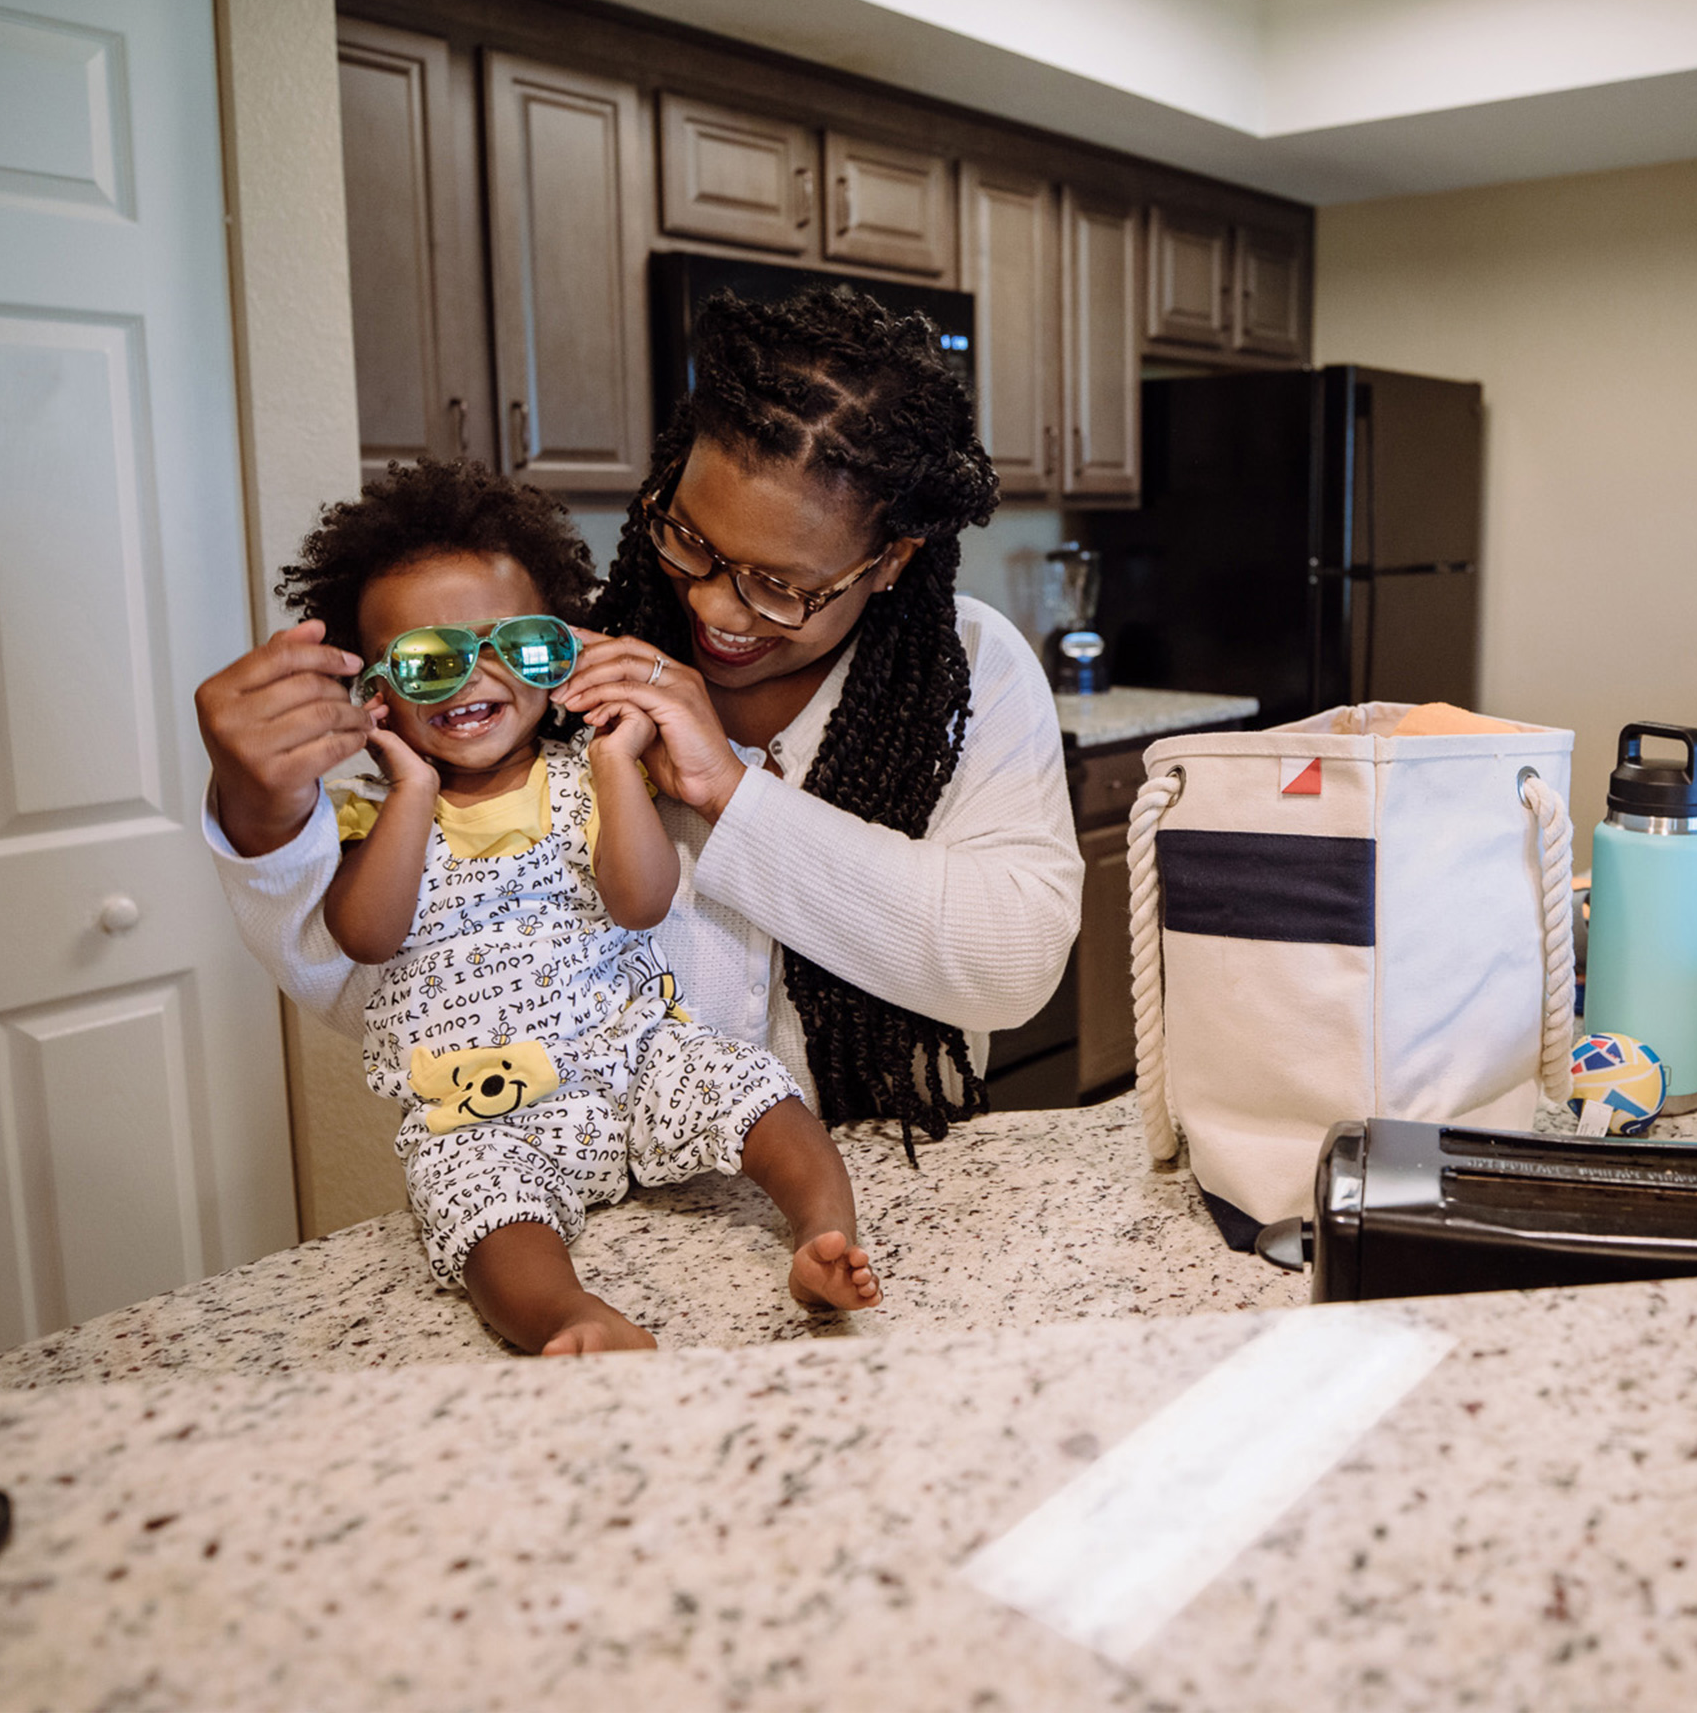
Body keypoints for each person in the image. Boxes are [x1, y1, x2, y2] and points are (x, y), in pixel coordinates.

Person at [194, 285, 1079, 1181]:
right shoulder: (552, 679)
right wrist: (261, 819)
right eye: (688, 537)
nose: (711, 605)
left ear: (889, 561)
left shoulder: (968, 668)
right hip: (606, 1221)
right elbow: (409, 977)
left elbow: (1012, 965)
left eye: (780, 586)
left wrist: (731, 795)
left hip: (883, 1195)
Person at [273, 461, 879, 1354]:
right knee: (482, 1215)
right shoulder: (370, 813)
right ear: (373, 691)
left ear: (558, 653)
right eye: (429, 661)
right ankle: (570, 1316)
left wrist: (611, 756)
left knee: (761, 1094)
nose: (475, 675)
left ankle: (824, 1236)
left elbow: (641, 902)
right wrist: (407, 785)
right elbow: (366, 935)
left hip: (636, 1060)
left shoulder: (588, 779)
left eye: (513, 644)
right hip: (486, 1111)